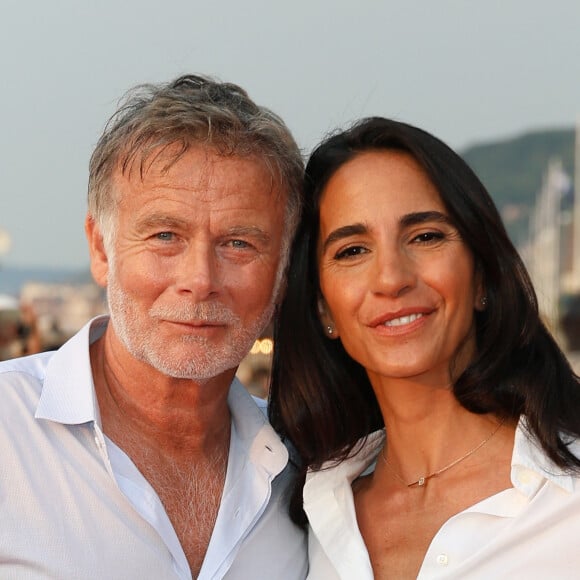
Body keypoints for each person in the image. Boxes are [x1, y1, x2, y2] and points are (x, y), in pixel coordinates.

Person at [0, 74, 307, 579]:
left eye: (238, 243)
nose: (200, 281)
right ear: (101, 249)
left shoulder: (309, 473)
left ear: (284, 268)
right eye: (165, 235)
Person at [269, 117, 580, 579]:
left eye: (426, 237)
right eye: (352, 250)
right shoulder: (305, 511)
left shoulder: (565, 500)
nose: (392, 278)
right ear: (322, 309)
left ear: (481, 276)